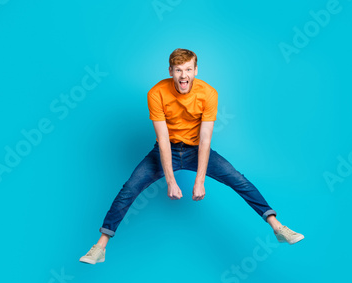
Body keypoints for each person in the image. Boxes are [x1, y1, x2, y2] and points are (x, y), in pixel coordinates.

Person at [79, 48, 304, 264]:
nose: (183, 75)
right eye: (178, 70)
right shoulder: (156, 93)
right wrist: (171, 182)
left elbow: (205, 140)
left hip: (196, 150)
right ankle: (100, 247)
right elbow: (164, 140)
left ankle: (277, 226)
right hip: (165, 150)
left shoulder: (208, 94)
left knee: (238, 179)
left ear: (195, 70)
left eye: (188, 69)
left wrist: (199, 181)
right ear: (170, 72)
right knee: (129, 188)